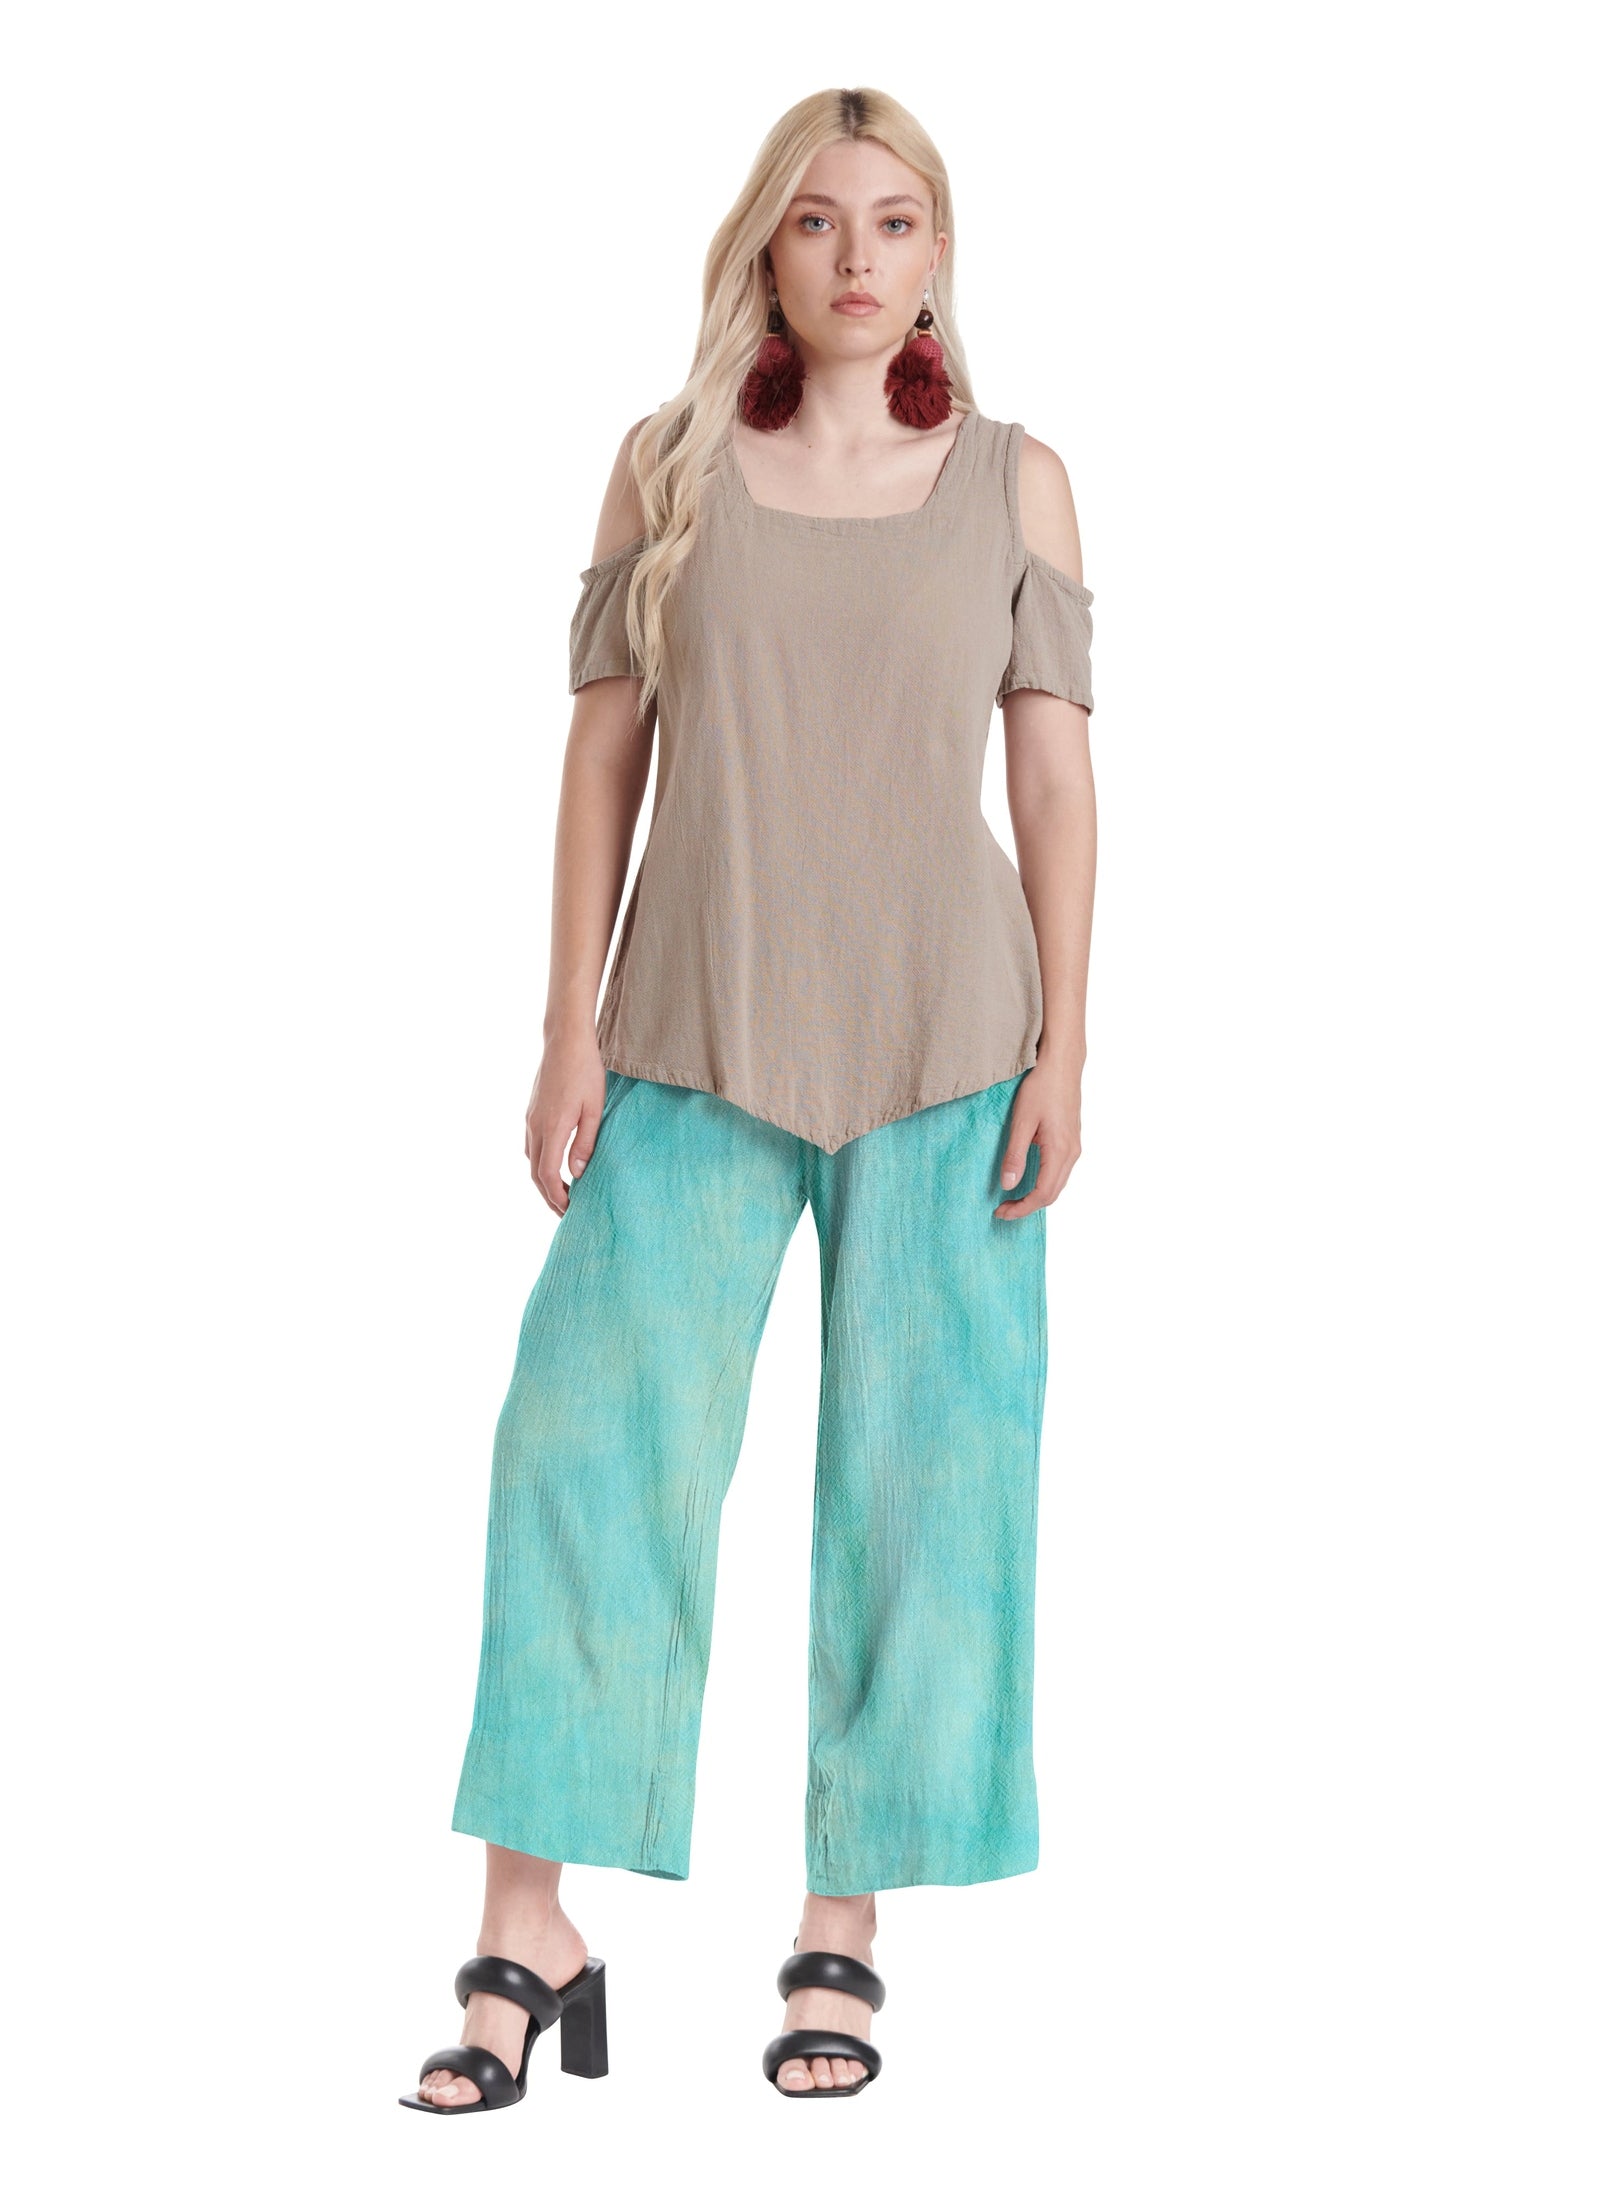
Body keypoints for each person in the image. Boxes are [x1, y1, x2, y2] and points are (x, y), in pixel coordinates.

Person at [401, 85, 1097, 2114]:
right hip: (691, 1029)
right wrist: (566, 1023)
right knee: (582, 1451)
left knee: (925, 1488)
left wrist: (1069, 1044)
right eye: (816, 221)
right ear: (765, 253)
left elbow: (1054, 778)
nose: (857, 256)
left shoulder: (1018, 482)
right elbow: (601, 756)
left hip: (949, 1043)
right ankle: (527, 1924)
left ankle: (842, 1922)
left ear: (937, 254)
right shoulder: (668, 462)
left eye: (895, 220)